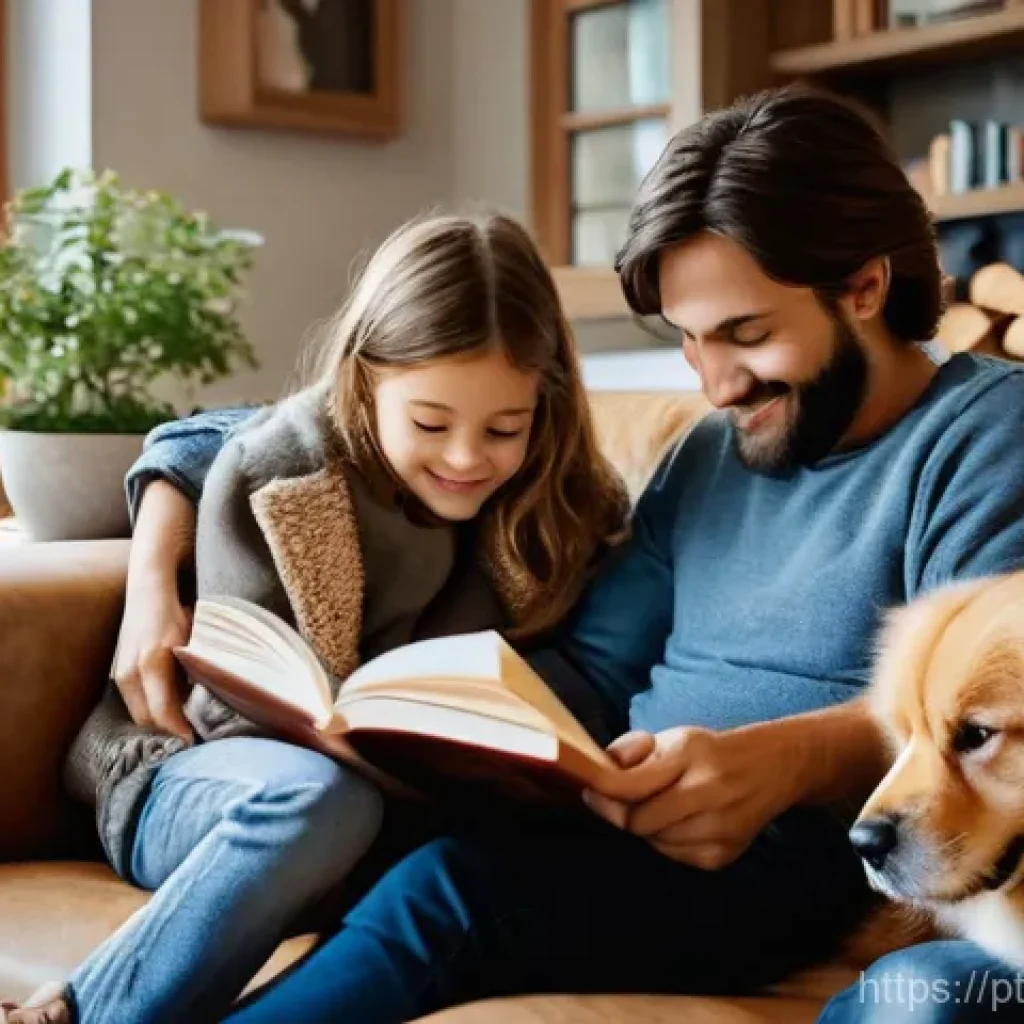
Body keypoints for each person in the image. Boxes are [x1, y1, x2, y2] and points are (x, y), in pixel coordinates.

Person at [15, 84, 1024, 1024]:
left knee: (446, 894)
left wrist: (784, 760)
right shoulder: (711, 454)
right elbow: (592, 667)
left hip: (802, 861)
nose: (714, 383)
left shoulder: (983, 438)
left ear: (862, 286)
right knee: (417, 864)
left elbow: (974, 719)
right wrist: (437, 729)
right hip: (624, 828)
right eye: (685, 340)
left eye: (745, 334)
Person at [3, 211, 628, 1024]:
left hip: (393, 817)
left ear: (542, 406)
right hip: (200, 775)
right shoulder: (283, 473)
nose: (467, 457)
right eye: (431, 424)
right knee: (325, 799)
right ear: (365, 382)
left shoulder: (565, 509)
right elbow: (231, 710)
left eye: (504, 428)